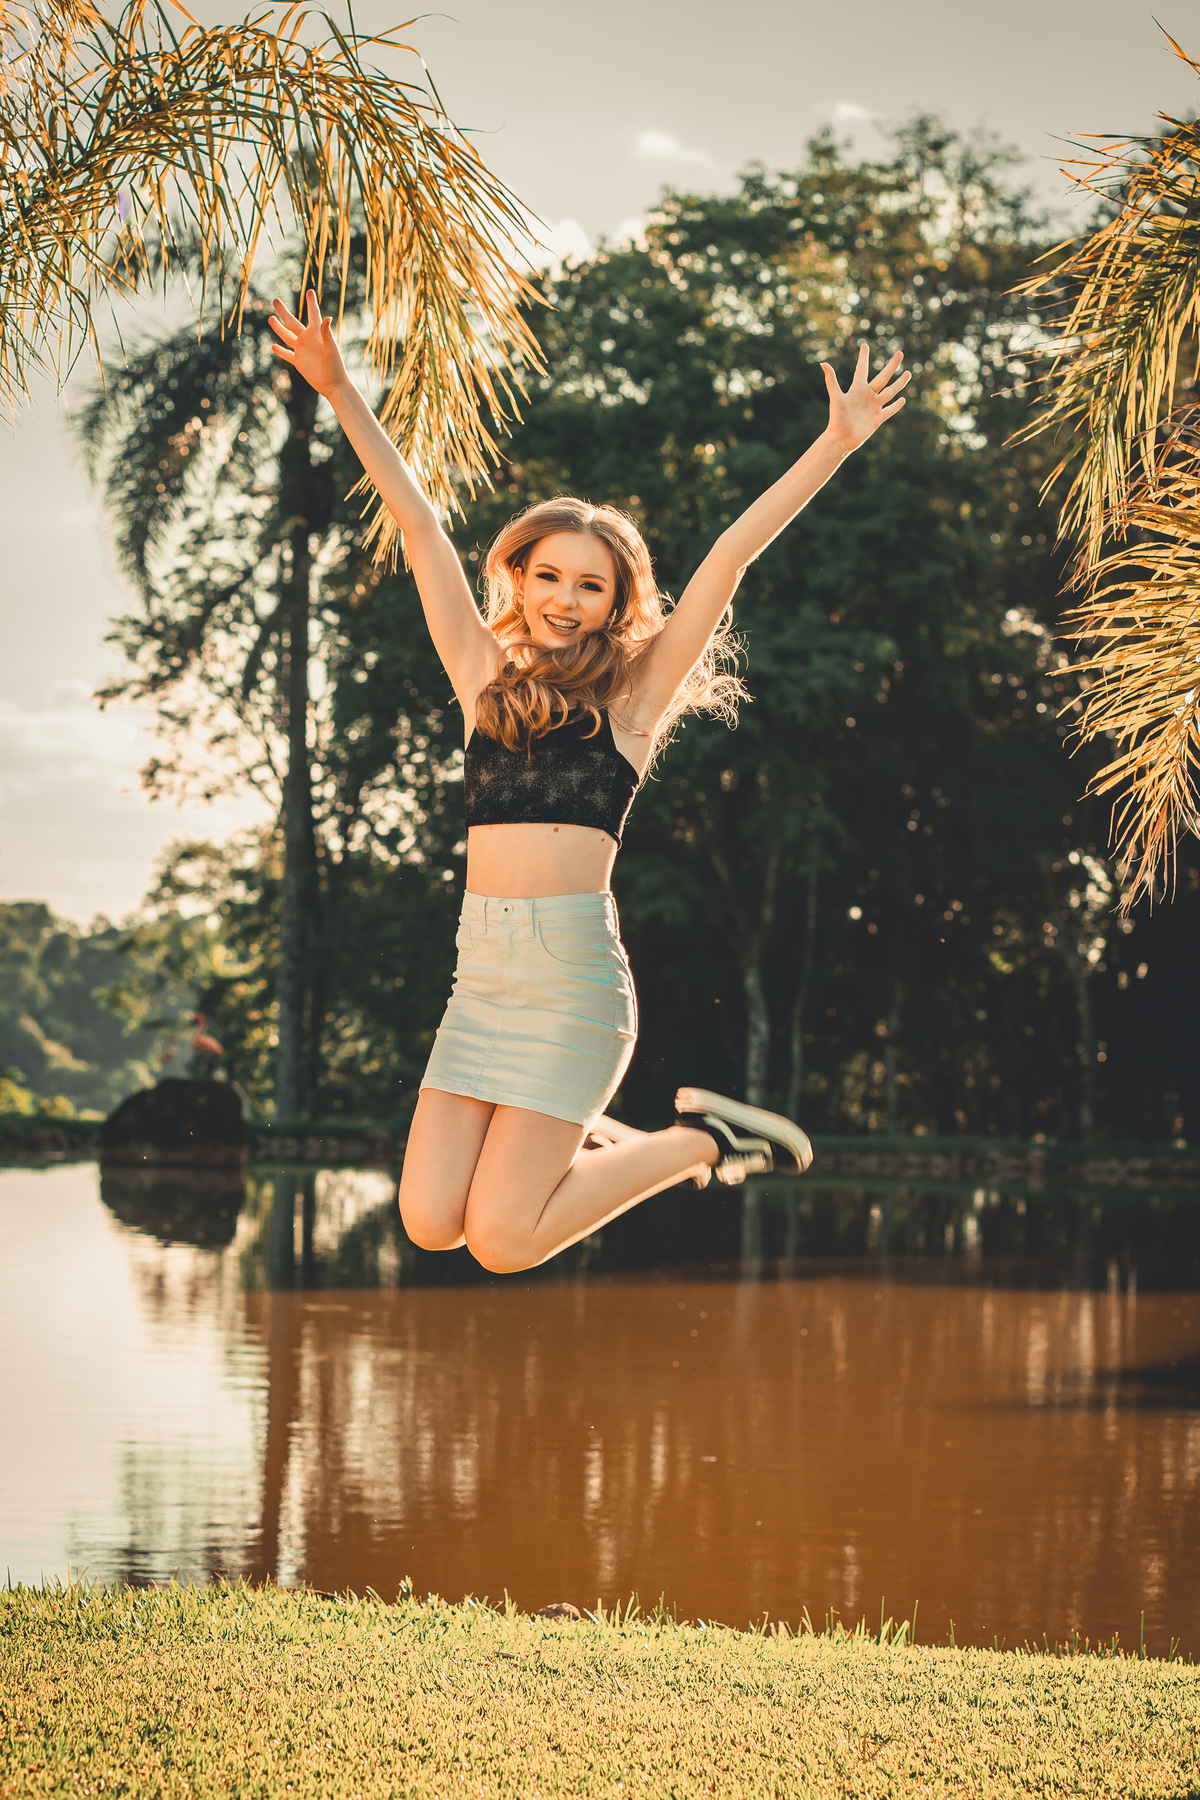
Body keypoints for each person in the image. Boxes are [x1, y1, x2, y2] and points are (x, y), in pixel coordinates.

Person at [270, 292, 910, 1272]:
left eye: (592, 585)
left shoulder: (633, 703)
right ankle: (608, 1135)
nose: (567, 599)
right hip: (480, 977)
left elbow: (730, 559)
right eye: (550, 576)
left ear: (616, 603)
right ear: (518, 578)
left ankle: (705, 1143)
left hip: (572, 983)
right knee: (428, 1222)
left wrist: (836, 444)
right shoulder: (482, 680)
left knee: (504, 1239)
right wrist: (341, 387)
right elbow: (417, 521)